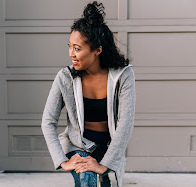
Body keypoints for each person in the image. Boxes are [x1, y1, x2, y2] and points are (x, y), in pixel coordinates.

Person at [41, 1, 135, 187]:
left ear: (98, 50)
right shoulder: (65, 77)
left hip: (109, 147)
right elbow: (47, 121)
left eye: (77, 48)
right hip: (79, 146)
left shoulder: (123, 76)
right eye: (70, 46)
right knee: (86, 181)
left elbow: (125, 124)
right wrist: (62, 161)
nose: (71, 54)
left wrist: (104, 165)